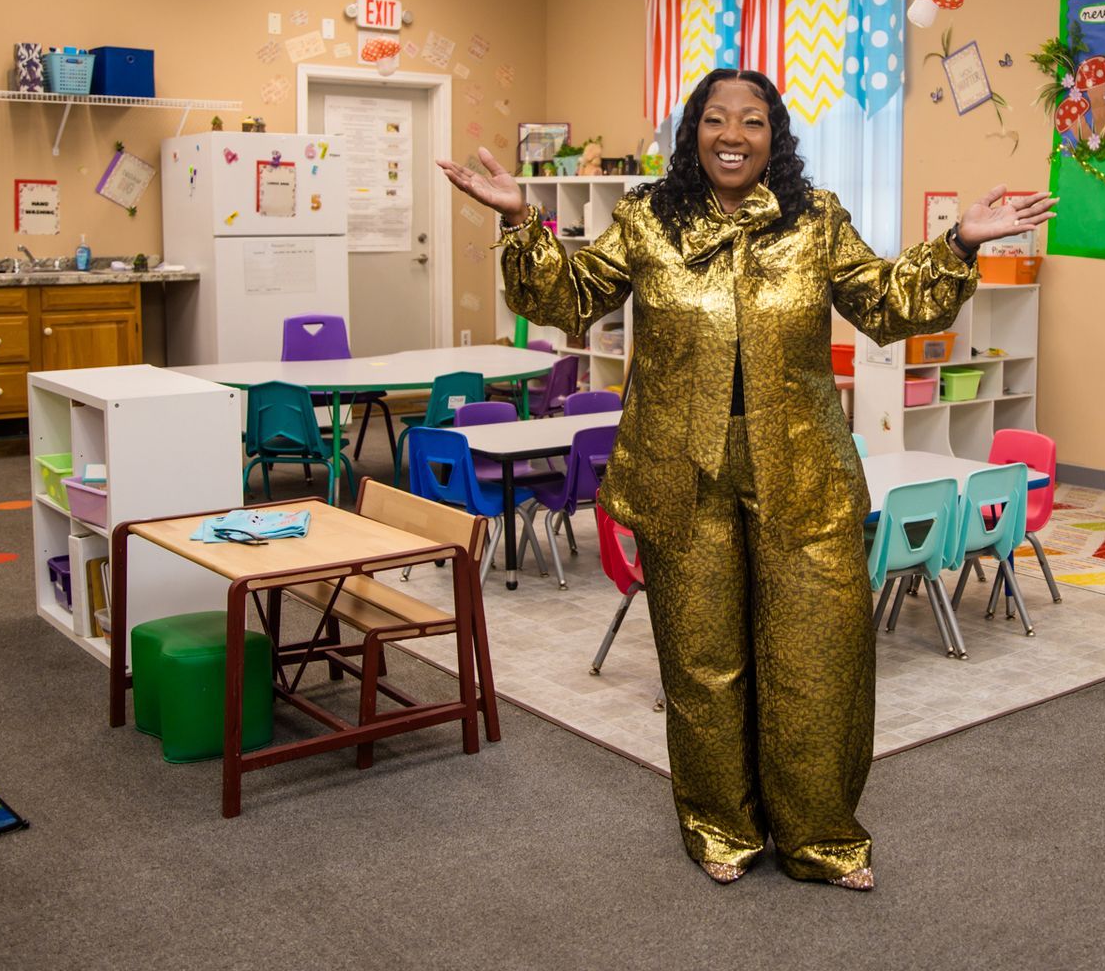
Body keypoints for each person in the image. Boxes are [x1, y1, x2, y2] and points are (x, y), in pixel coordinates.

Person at [438, 69, 1055, 891]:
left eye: (753, 121)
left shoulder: (816, 220)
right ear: (695, 131)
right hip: (679, 468)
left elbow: (885, 302)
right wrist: (522, 218)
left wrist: (960, 244)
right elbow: (570, 297)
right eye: (717, 119)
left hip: (800, 466)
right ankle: (720, 825)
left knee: (820, 657)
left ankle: (820, 835)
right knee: (702, 661)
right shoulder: (649, 219)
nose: (734, 135)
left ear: (775, 137)